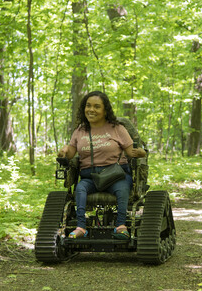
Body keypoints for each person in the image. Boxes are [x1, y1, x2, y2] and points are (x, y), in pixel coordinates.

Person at [58, 91, 147, 239]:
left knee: (123, 189)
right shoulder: (80, 130)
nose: (91, 109)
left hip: (116, 175)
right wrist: (65, 150)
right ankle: (81, 227)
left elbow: (132, 152)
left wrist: (142, 153)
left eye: (96, 107)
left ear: (105, 110)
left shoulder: (117, 128)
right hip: (90, 177)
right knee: (80, 189)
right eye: (88, 106)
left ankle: (121, 226)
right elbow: (71, 154)